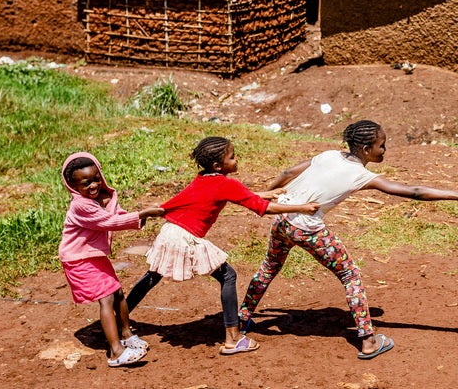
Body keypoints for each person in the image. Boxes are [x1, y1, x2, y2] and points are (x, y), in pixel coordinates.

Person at [239, 119, 458, 360]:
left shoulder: (329, 155)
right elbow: (414, 192)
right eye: (382, 145)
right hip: (307, 228)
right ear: (366, 149)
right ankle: (368, 341)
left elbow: (288, 173)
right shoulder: (360, 175)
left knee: (269, 268)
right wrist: (457, 195)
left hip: (281, 218)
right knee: (350, 275)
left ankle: (242, 320)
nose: (384, 150)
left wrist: (264, 200)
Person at [125, 137, 319, 355]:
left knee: (153, 275)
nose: (237, 160)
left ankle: (118, 319)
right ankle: (233, 338)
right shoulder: (226, 184)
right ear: (218, 166)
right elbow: (262, 208)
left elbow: (232, 196)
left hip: (171, 232)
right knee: (228, 276)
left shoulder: (203, 179)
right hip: (184, 238)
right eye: (232, 157)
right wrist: (303, 207)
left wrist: (262, 194)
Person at [59, 152, 165, 368]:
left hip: (93, 255)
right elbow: (108, 222)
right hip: (78, 259)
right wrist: (141, 215)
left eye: (96, 179)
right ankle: (116, 352)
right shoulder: (81, 205)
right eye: (85, 183)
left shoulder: (103, 197)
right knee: (106, 298)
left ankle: (126, 335)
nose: (93, 185)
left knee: (118, 293)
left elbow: (117, 214)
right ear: (73, 186)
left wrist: (135, 218)